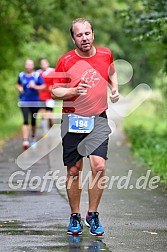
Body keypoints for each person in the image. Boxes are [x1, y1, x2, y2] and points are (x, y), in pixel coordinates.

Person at [51, 18, 119, 236]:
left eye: (87, 33)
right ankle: (74, 215)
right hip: (72, 119)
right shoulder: (66, 60)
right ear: (73, 38)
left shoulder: (106, 54)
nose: (84, 38)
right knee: (74, 170)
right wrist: (71, 92)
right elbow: (55, 91)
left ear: (93, 34)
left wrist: (114, 89)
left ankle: (93, 213)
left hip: (98, 118)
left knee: (98, 166)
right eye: (79, 35)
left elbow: (112, 72)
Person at [16, 59, 46, 149]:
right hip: (24, 101)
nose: (29, 66)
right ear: (25, 66)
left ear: (33, 66)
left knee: (33, 121)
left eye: (30, 65)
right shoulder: (21, 75)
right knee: (25, 120)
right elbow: (17, 84)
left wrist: (35, 86)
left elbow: (44, 86)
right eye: (27, 65)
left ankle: (33, 137)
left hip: (35, 102)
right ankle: (25, 140)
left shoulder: (36, 76)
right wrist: (20, 88)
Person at [37, 58, 55, 136]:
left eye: (45, 63)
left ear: (48, 64)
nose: (44, 65)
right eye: (42, 63)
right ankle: (45, 131)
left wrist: (53, 87)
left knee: (49, 114)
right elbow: (36, 83)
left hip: (50, 95)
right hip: (41, 95)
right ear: (40, 65)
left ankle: (50, 122)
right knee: (43, 114)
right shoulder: (37, 73)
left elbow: (57, 81)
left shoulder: (53, 71)